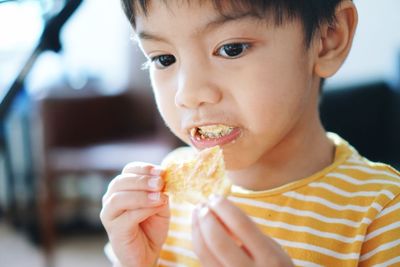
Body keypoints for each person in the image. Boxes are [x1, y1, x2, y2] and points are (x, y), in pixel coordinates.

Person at [100, 1, 400, 266]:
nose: (188, 94)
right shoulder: (163, 202)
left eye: (231, 49)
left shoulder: (382, 212)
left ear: (327, 39)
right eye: (164, 59)